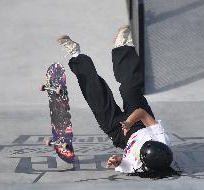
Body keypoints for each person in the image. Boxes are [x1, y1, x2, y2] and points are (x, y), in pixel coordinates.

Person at [56, 25, 173, 173]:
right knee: (129, 90)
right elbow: (142, 113)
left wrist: (117, 161)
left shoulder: (138, 166)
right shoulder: (162, 140)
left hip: (119, 134)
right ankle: (123, 47)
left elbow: (124, 164)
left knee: (97, 97)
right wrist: (130, 122)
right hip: (140, 123)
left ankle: (76, 56)